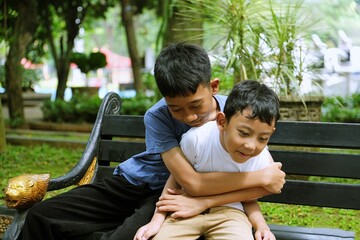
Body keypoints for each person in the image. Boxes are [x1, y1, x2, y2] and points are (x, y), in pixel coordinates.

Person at [18, 43, 285, 240]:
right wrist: (261, 179)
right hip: (134, 182)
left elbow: (260, 171)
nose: (189, 116)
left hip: (167, 196)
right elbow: (194, 180)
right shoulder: (156, 116)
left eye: (196, 105)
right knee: (42, 215)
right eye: (176, 109)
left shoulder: (239, 114)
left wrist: (262, 181)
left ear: (213, 87)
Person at [134, 80, 280, 240]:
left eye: (263, 138)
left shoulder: (260, 159)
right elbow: (175, 179)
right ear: (222, 122)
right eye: (244, 133)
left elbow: (249, 200)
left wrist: (262, 227)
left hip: (230, 216)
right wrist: (157, 220)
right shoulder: (196, 140)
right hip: (184, 209)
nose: (251, 146)